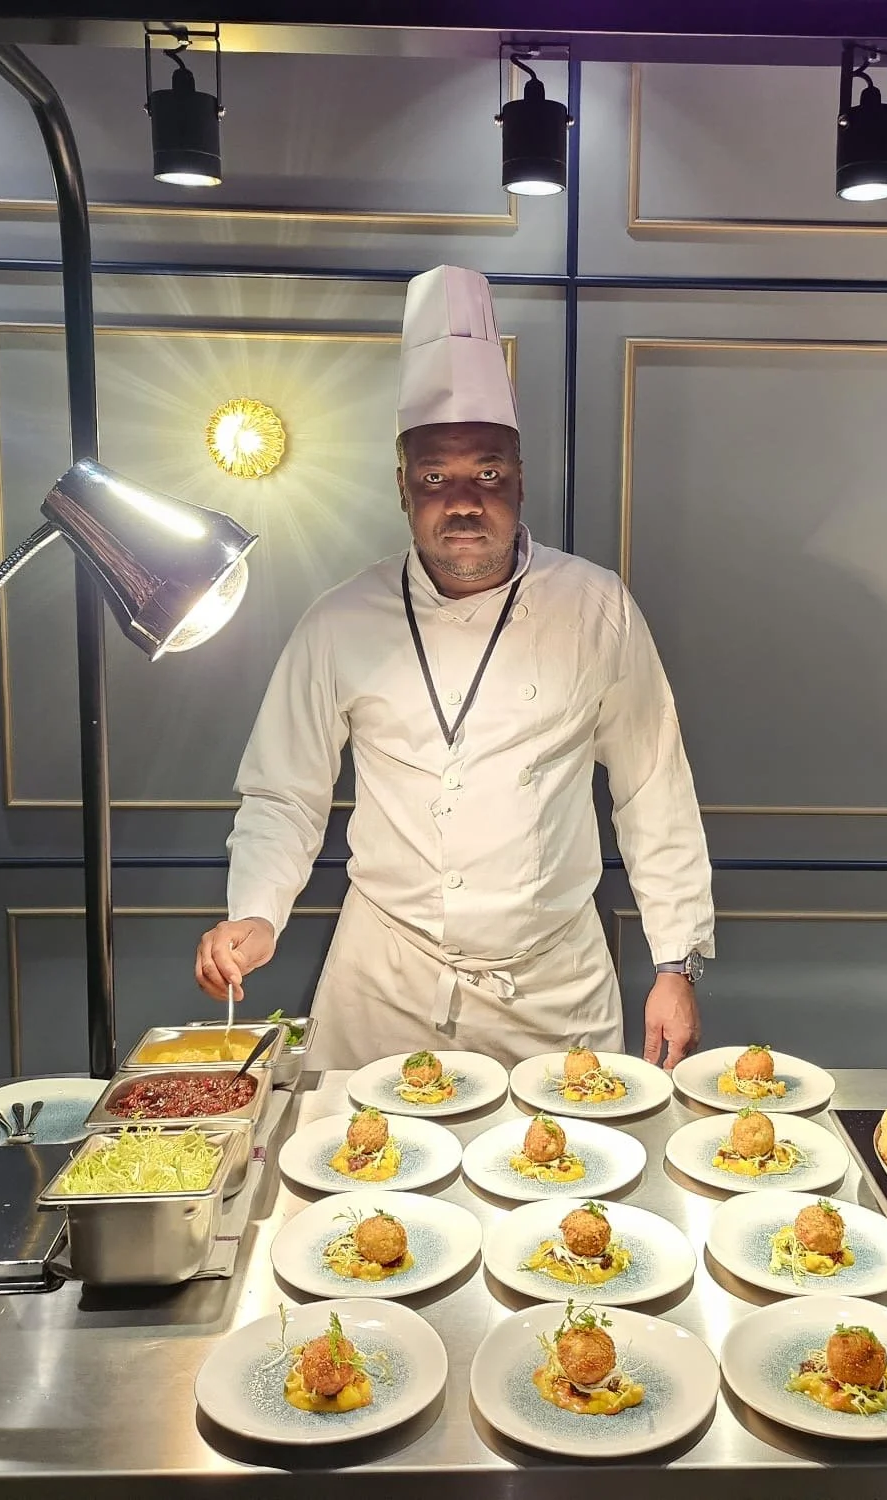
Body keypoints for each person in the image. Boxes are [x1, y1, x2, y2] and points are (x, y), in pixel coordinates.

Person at [194, 265, 715, 1070]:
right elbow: (283, 792)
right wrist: (257, 911)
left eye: (489, 473)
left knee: (558, 1154)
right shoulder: (339, 620)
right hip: (382, 985)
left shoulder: (597, 606)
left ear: (521, 481)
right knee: (360, 1155)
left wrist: (675, 964)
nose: (464, 501)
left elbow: (654, 788)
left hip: (549, 989)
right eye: (435, 477)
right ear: (402, 488)